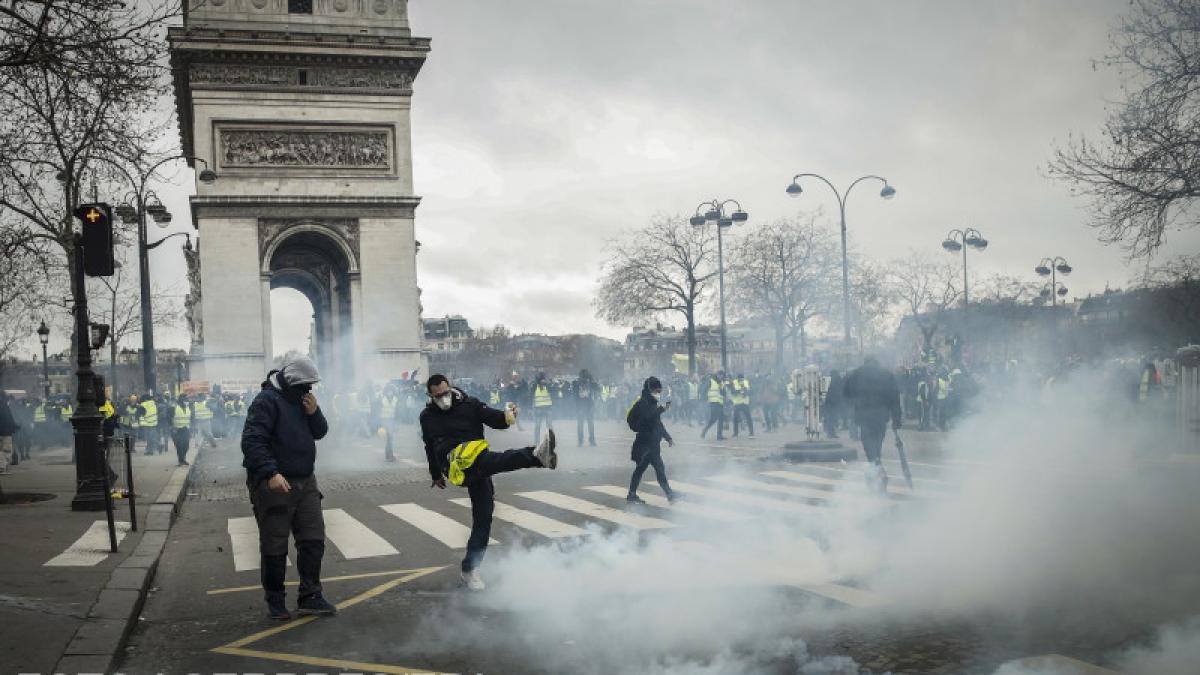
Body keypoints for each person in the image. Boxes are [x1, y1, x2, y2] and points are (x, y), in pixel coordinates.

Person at [419, 373, 557, 591]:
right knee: (488, 459)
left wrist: (509, 415)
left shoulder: (470, 404)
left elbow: (496, 420)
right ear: (430, 396)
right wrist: (435, 474)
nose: (442, 399)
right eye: (437, 396)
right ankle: (535, 455)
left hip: (478, 461)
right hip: (454, 463)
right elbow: (428, 446)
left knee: (483, 517)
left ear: (450, 388)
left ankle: (470, 569)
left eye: (445, 393)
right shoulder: (427, 416)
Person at [241, 357, 336, 621]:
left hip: (305, 480)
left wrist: (314, 412)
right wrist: (270, 472)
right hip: (275, 482)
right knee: (275, 544)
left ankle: (311, 595)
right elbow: (252, 441)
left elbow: (320, 432)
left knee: (313, 539)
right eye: (305, 386)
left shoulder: (303, 400)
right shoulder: (266, 401)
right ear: (292, 382)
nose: (309, 391)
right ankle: (276, 600)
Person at [841, 356, 902, 492]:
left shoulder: (857, 373)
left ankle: (876, 473)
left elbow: (846, 392)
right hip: (881, 417)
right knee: (877, 446)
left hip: (864, 417)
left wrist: (853, 405)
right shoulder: (887, 375)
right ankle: (876, 471)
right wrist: (896, 420)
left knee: (869, 448)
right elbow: (895, 399)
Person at [626, 377, 678, 504]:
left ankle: (669, 494)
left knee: (655, 468)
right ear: (650, 390)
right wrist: (661, 409)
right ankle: (669, 494)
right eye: (657, 391)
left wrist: (668, 437)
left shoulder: (652, 403)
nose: (658, 393)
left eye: (660, 391)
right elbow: (647, 418)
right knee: (646, 469)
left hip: (652, 443)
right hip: (644, 444)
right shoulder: (643, 403)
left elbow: (657, 423)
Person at [573, 369, 598, 447]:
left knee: (583, 424)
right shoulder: (585, 382)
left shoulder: (577, 382)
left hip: (584, 406)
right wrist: (591, 380)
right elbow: (597, 388)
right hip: (586, 405)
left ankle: (581, 441)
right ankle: (591, 441)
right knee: (589, 424)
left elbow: (574, 396)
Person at [700, 372, 726, 440]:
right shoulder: (711, 381)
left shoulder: (722, 383)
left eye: (722, 376)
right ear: (717, 375)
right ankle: (719, 436)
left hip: (720, 403)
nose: (721, 377)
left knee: (713, 420)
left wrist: (722, 389)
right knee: (719, 418)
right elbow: (704, 390)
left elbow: (723, 394)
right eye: (720, 375)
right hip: (713, 403)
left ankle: (704, 431)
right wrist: (704, 399)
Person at [170, 394, 193, 467]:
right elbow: (169, 417)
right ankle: (181, 460)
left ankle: (183, 459)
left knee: (186, 446)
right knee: (179, 446)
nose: (186, 401)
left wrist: (193, 428)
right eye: (184, 400)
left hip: (186, 429)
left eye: (186, 400)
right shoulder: (174, 407)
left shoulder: (188, 407)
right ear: (180, 400)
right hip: (177, 430)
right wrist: (172, 427)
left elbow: (191, 418)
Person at [531, 373, 554, 444]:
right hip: (538, 409)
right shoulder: (535, 386)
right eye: (542, 379)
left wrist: (548, 384)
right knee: (538, 426)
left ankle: (550, 441)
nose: (543, 381)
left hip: (547, 408)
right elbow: (530, 396)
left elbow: (553, 392)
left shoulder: (547, 386)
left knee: (549, 426)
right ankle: (536, 442)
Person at [730, 374, 754, 438]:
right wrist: (740, 391)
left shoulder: (746, 382)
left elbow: (751, 391)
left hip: (745, 402)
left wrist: (745, 392)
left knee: (749, 418)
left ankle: (751, 433)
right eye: (740, 379)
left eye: (742, 379)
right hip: (737, 403)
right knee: (735, 418)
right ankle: (735, 433)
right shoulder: (734, 382)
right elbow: (732, 392)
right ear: (737, 379)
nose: (741, 380)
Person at [0, 394, 18, 474]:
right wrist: (14, 427)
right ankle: (2, 467)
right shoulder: (4, 406)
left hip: (4, 431)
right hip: (5, 432)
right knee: (6, 450)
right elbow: (8, 419)